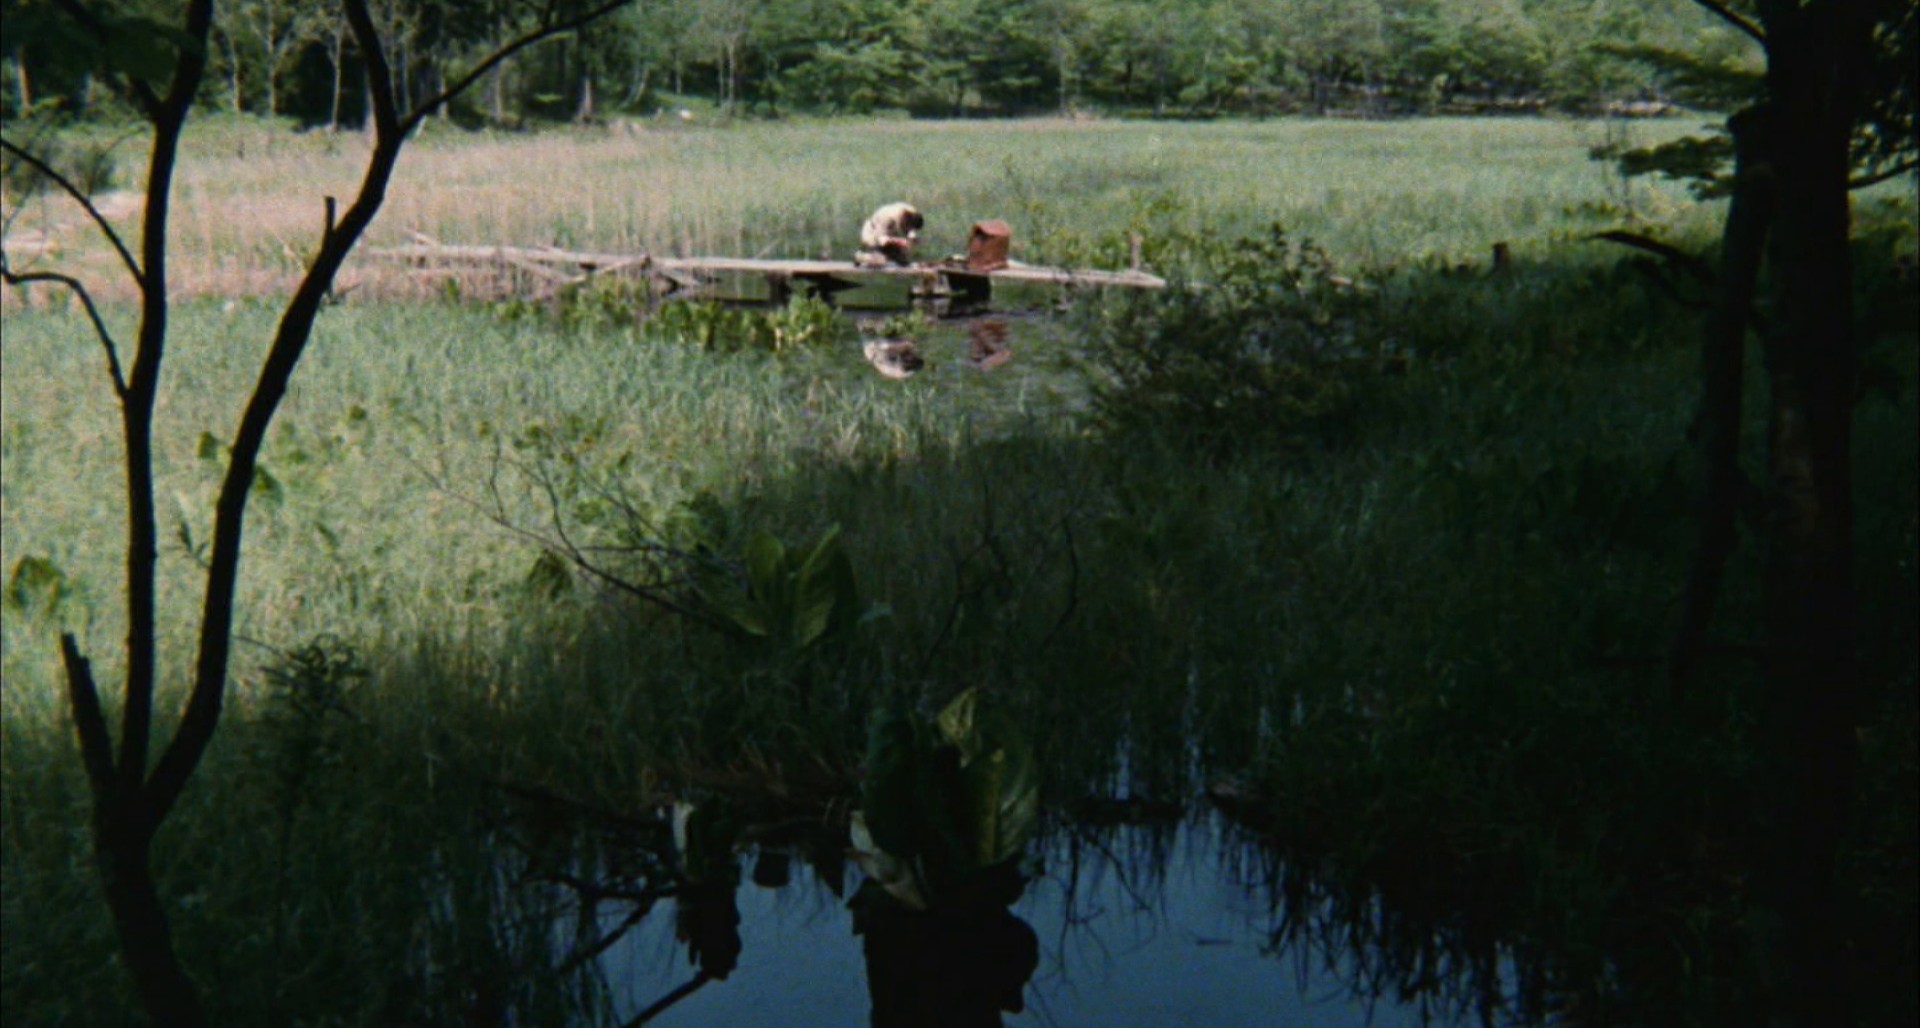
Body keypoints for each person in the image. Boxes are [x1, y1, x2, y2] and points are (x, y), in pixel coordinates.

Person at [858, 202, 923, 266]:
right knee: (880, 261)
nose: (907, 229)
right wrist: (899, 242)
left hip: (888, 232)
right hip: (872, 233)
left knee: (903, 261)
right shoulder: (888, 218)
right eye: (907, 226)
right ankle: (861, 257)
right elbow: (882, 240)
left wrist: (912, 237)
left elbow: (910, 229)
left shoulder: (911, 212)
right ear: (905, 220)